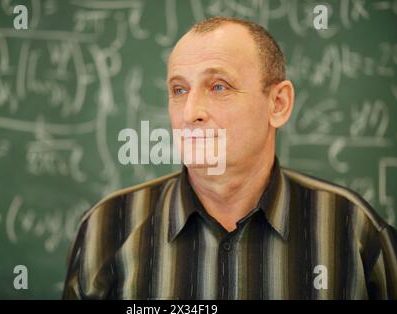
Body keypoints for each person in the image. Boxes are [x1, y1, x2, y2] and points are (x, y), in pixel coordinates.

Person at [63, 17, 397, 299]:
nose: (191, 112)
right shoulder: (108, 227)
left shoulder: (353, 231)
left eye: (219, 87)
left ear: (278, 103)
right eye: (179, 90)